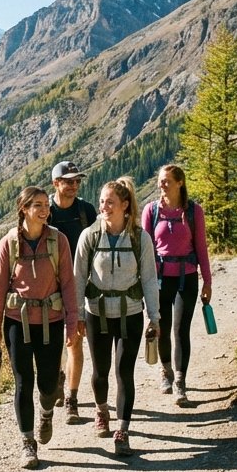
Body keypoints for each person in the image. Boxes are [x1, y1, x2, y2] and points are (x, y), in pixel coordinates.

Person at [0, 186, 79, 469]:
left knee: (48, 382)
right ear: (24, 209)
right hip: (18, 321)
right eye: (37, 205)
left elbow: (68, 283)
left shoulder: (58, 241)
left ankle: (47, 411)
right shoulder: (9, 243)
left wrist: (72, 323)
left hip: (51, 321)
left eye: (45, 205)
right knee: (23, 382)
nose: (44, 210)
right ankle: (28, 443)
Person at [73, 176, 160, 457]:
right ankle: (101, 411)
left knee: (124, 372)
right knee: (99, 372)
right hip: (96, 313)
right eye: (101, 202)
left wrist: (154, 316)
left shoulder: (140, 237)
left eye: (109, 202)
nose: (103, 207)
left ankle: (122, 430)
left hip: (130, 314)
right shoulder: (90, 235)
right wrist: (76, 317)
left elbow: (149, 278)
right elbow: (77, 278)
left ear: (125, 205)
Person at [141, 163, 213, 407]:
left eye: (167, 180)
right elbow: (145, 250)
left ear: (179, 182)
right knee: (161, 326)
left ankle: (180, 381)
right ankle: (166, 371)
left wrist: (207, 281)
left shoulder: (194, 212)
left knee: (181, 329)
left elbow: (201, 248)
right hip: (159, 280)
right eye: (160, 180)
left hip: (187, 277)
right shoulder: (151, 211)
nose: (162, 184)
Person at [48, 160, 98, 424]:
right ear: (56, 183)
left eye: (77, 181)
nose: (74, 186)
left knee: (75, 341)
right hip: (51, 288)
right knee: (56, 342)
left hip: (80, 286)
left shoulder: (86, 211)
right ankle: (58, 376)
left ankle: (72, 399)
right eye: (68, 182)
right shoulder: (47, 211)